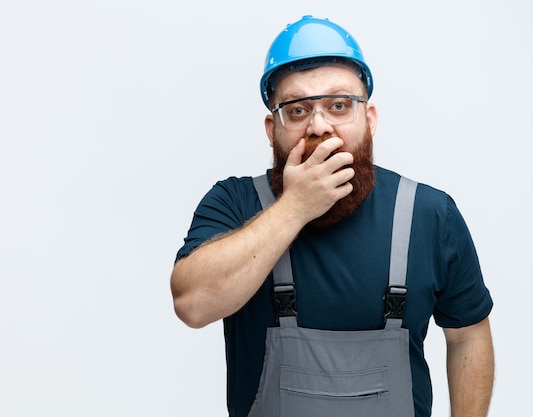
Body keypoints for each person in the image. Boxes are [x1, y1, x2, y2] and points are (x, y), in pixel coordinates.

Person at [171, 15, 494, 417]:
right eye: (298, 109)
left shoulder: (429, 215)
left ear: (370, 120)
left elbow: (468, 336)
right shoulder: (235, 203)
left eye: (339, 105)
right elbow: (191, 304)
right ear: (273, 129)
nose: (319, 125)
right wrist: (294, 207)